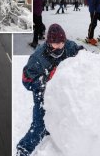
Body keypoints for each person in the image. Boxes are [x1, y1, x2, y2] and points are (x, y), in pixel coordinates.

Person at [16, 24, 84, 156]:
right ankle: (23, 149)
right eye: (55, 44)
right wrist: (44, 81)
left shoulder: (69, 47)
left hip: (63, 90)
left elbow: (82, 55)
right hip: (42, 94)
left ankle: (54, 128)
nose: (59, 46)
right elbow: (26, 80)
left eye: (61, 43)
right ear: (48, 42)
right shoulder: (38, 58)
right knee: (39, 126)